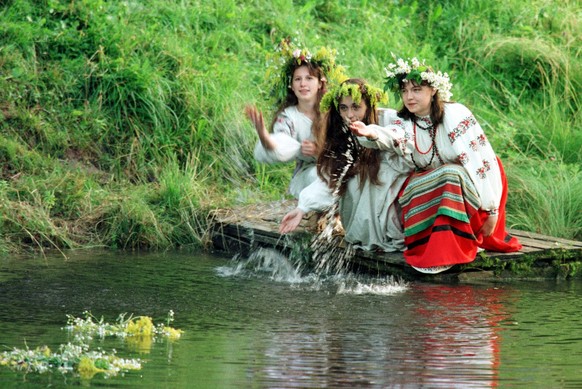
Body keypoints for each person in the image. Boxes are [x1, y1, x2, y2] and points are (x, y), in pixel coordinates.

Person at [349, 56, 522, 273]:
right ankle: (434, 244)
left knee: (451, 174)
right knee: (437, 177)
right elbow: (392, 136)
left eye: (416, 90)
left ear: (433, 90)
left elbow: (482, 162)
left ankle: (457, 242)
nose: (409, 97)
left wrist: (492, 210)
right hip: (440, 191)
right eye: (404, 92)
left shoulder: (456, 115)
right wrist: (371, 132)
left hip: (478, 194)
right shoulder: (406, 123)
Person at [279, 78, 413, 252]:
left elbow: (402, 136)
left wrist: (372, 134)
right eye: (344, 108)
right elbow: (332, 175)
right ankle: (365, 233)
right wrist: (302, 208)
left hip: (394, 184)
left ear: (368, 105)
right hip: (365, 191)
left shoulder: (386, 117)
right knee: (351, 182)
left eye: (356, 107)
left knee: (376, 175)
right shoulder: (341, 132)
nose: (350, 115)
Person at [245, 39, 343, 199]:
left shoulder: (334, 111)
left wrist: (320, 151)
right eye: (298, 79)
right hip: (308, 175)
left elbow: (347, 146)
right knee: (317, 177)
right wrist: (263, 135)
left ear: (320, 83)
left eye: (309, 78)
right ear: (291, 85)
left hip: (336, 169)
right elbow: (280, 144)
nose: (303, 84)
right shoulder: (289, 116)